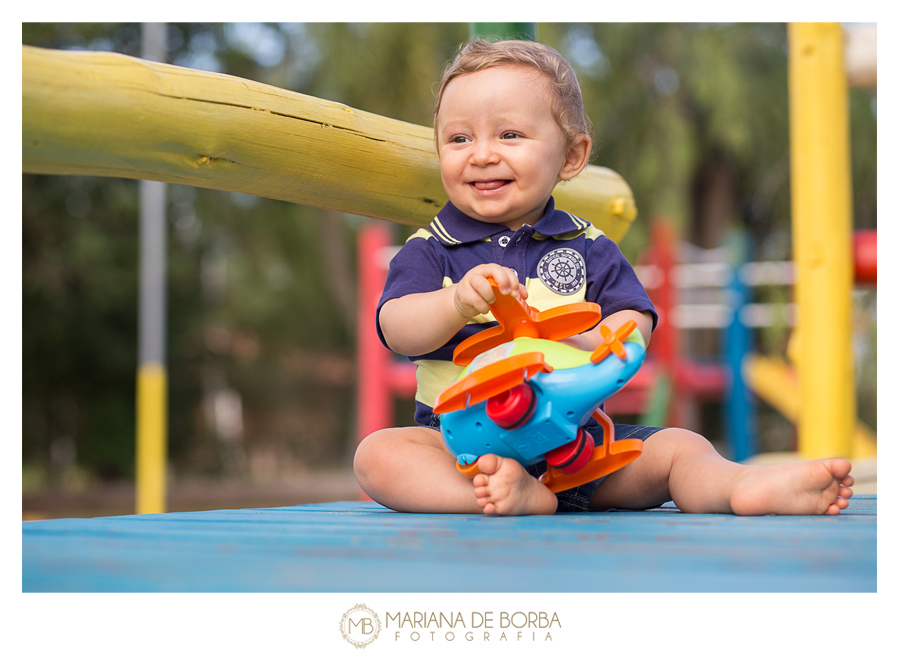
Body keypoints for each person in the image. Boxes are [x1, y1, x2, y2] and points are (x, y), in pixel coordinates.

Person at [353, 37, 854, 517]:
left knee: (681, 448)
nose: (481, 153)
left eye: (509, 134)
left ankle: (744, 486)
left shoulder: (589, 247)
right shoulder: (432, 248)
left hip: (581, 448)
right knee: (378, 456)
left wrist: (588, 335)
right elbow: (397, 328)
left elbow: (635, 325)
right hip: (459, 448)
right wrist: (456, 303)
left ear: (571, 157)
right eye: (459, 138)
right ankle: (500, 495)